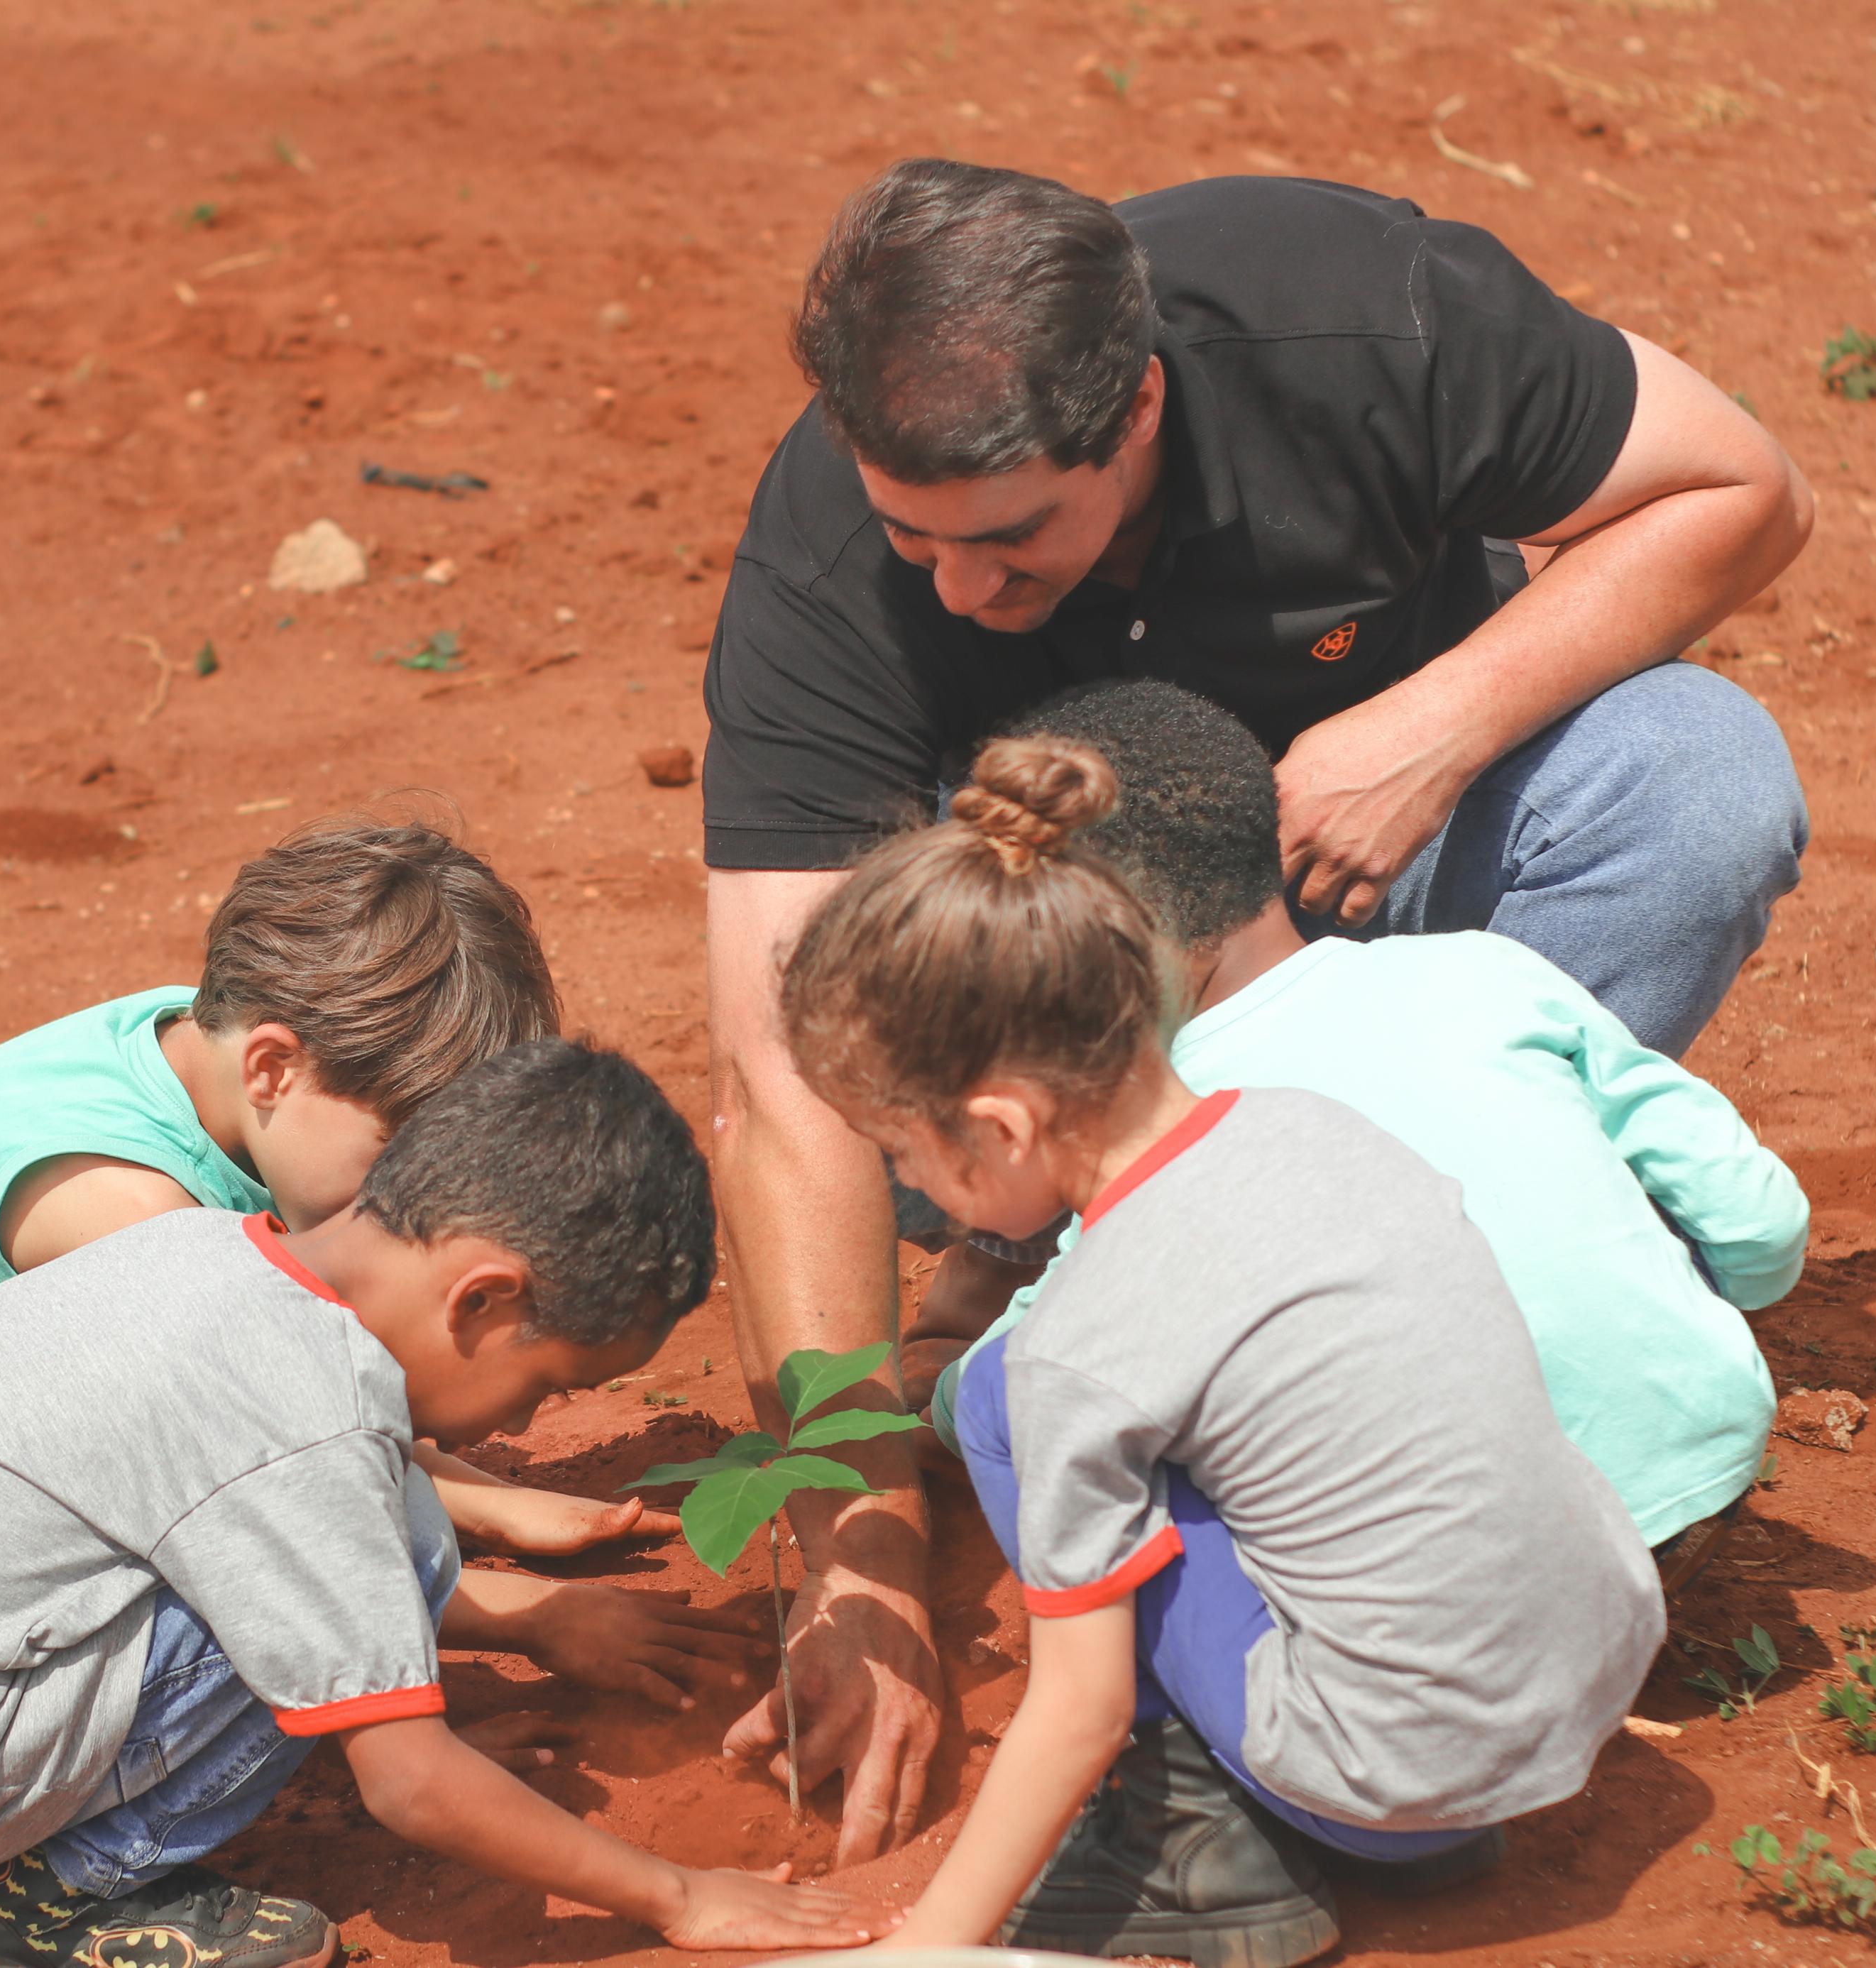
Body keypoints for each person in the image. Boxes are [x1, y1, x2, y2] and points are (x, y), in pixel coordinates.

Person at [700, 159, 1811, 1849]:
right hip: (1092, 1006)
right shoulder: (833, 552)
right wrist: (860, 1548)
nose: (952, 591)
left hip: (1388, 900)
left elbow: (1744, 486)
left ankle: (1418, 1309)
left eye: (1007, 540)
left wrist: (1429, 728)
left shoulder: (1352, 317)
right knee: (877, 956)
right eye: (910, 536)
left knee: (1696, 783)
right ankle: (1052, 1247)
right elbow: (785, 1063)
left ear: (1137, 408)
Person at [774, 740, 1664, 1966]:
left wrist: (929, 1943)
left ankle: (1191, 1833)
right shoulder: (1322, 1124)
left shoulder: (1081, 1341)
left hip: (1387, 1775)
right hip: (1581, 1683)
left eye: (905, 1155)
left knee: (991, 1400)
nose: (915, 1188)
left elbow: (1077, 1707)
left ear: (998, 1126)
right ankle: (1422, 1803)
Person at [0, 1040, 899, 1968]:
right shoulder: (303, 1417)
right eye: (549, 1380)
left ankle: (38, 1825)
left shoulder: (210, 1253)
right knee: (389, 1532)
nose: (526, 1430)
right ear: (485, 1297)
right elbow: (410, 1784)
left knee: (379, 1520)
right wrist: (682, 1894)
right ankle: (58, 1898)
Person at [911, 681, 1804, 1587]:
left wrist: (942, 1397)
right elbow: (1762, 1226)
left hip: (1451, 1576)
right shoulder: (1489, 970)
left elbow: (1033, 1373)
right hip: (1699, 1475)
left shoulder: (1167, 1124)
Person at [0, 815, 676, 1569]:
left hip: (12, 1459)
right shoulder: (121, 1209)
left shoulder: (214, 1040)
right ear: (273, 1067)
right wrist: (483, 1518)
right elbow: (251, 1443)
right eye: (400, 1157)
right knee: (356, 1555)